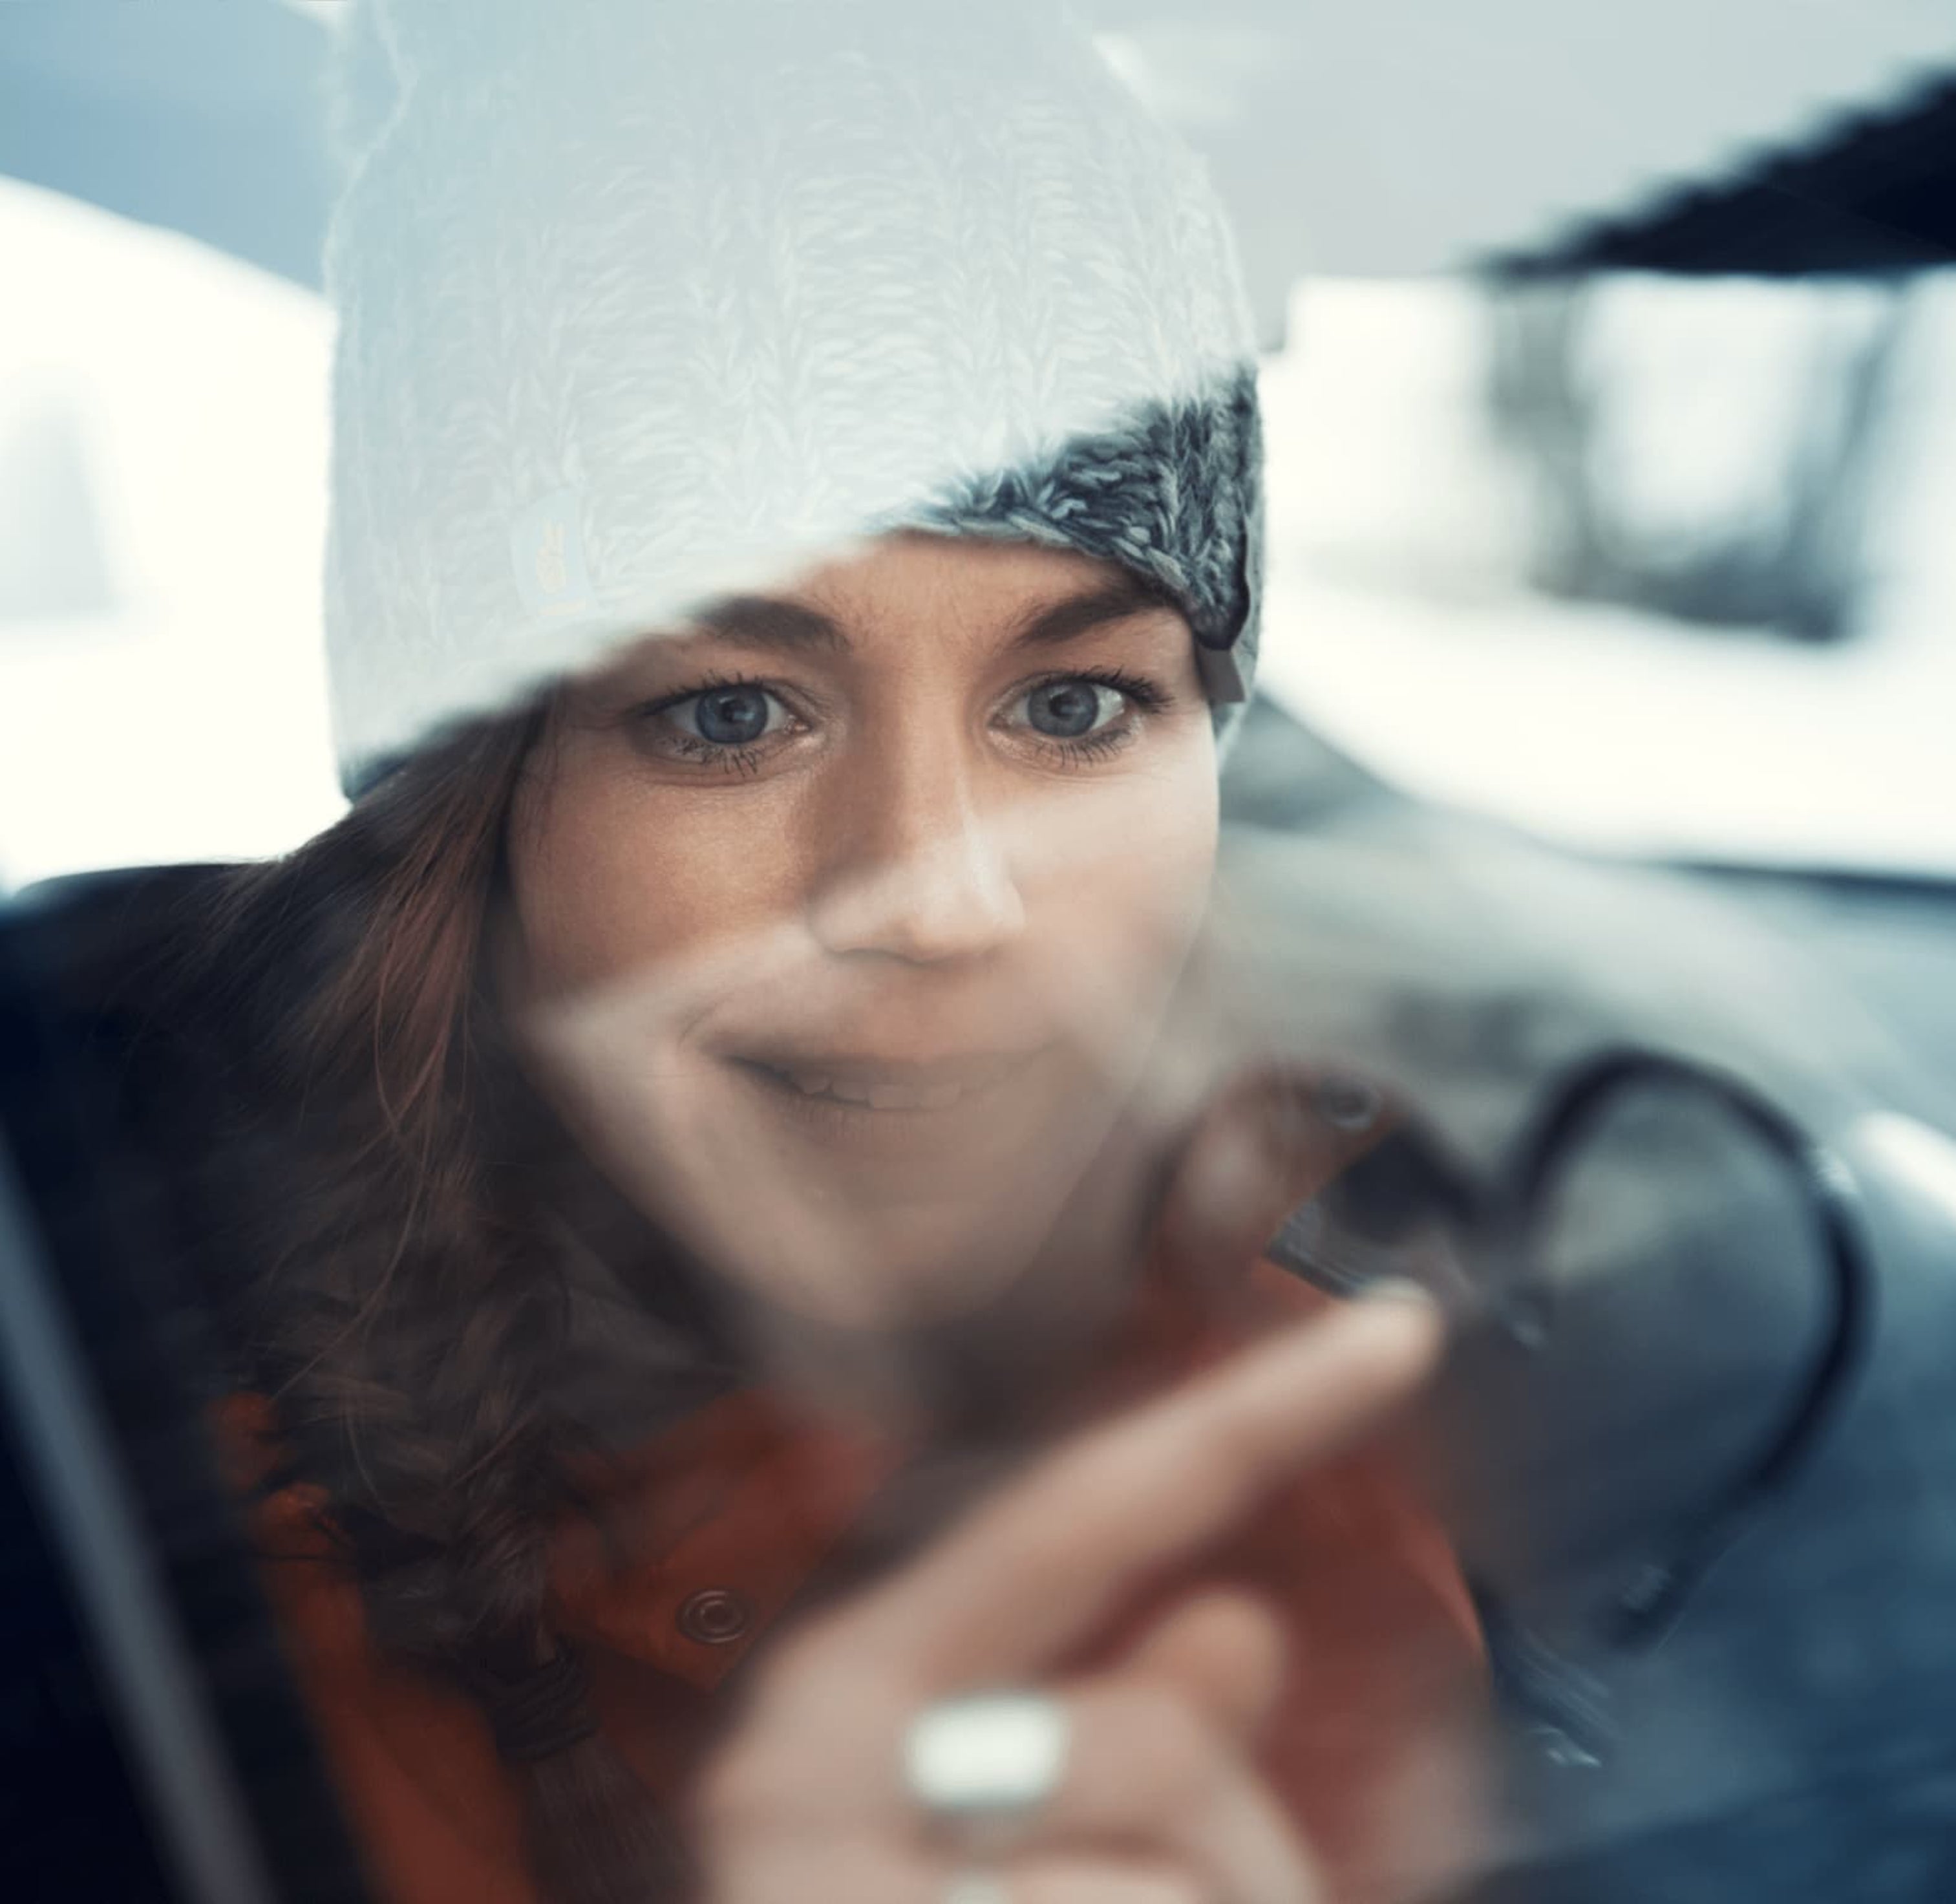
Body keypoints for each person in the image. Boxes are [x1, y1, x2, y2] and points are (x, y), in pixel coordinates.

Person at [34, 5, 1493, 1903]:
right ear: (473, 795)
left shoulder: (1302, 1386)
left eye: (1071, 704)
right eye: (732, 714)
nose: (938, 888)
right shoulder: (136, 1580)